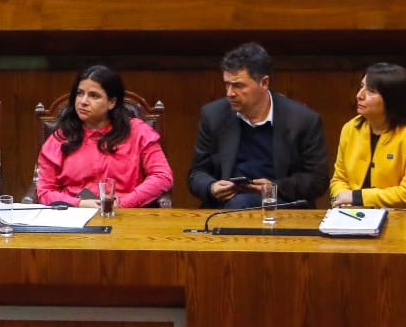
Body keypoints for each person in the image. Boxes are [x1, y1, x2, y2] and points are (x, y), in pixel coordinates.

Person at [186, 42, 327, 210]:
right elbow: (196, 174)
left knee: (241, 204)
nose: (229, 93)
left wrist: (275, 188)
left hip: (282, 206)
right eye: (227, 84)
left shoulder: (303, 120)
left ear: (264, 82)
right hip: (226, 206)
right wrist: (211, 187)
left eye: (238, 85)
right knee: (237, 204)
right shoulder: (213, 115)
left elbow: (318, 180)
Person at [37, 66, 172, 208]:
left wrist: (123, 203)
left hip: (126, 214)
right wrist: (79, 203)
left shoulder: (139, 132)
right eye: (80, 93)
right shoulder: (60, 138)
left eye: (94, 95)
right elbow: (44, 191)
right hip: (75, 217)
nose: (83, 101)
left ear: (112, 102)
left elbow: (162, 176)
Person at [329, 63, 406, 209]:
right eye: (361, 86)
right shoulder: (350, 128)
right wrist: (340, 200)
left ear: (392, 98)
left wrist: (357, 197)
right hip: (354, 215)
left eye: (371, 91)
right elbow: (339, 179)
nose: (359, 95)